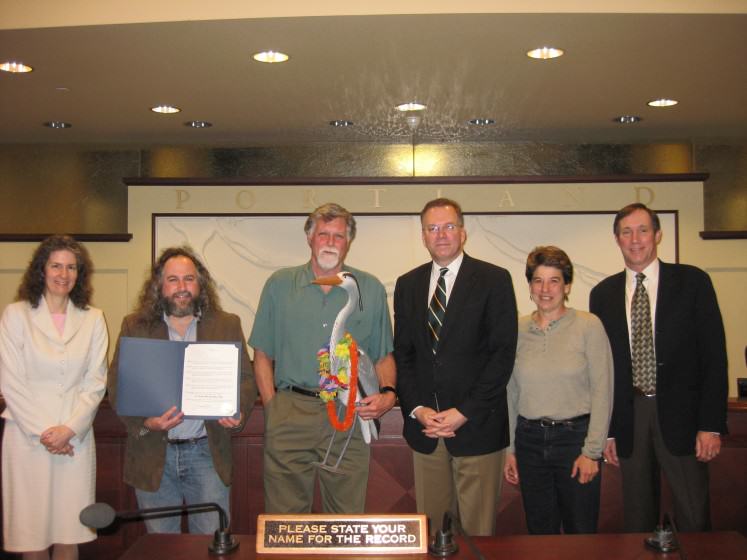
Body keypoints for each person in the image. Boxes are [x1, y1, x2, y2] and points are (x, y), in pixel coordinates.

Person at [589, 203, 728, 532]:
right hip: (630, 417)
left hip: (683, 416)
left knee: (694, 514)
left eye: (643, 230)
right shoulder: (602, 294)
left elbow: (714, 356)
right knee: (638, 518)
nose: (635, 239)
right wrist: (607, 430)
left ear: (658, 235)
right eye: (626, 232)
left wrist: (710, 425)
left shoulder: (692, 282)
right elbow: (604, 369)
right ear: (617, 239)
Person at [249, 202, 396, 514]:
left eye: (339, 236)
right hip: (291, 411)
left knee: (345, 517)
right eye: (323, 234)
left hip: (348, 413)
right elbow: (262, 354)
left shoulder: (369, 288)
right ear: (309, 238)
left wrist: (388, 394)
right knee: (285, 519)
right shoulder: (279, 285)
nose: (330, 242)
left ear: (348, 242)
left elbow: (383, 356)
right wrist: (273, 407)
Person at [106, 247, 257, 534]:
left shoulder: (226, 324)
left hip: (206, 453)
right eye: (173, 280)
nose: (182, 288)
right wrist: (145, 423)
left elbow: (246, 380)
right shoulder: (135, 325)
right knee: (161, 547)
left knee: (212, 542)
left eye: (189, 279)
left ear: (200, 284)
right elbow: (117, 385)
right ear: (159, 286)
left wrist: (237, 411)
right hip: (153, 454)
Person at [393, 198, 517, 536]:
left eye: (448, 226)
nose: (441, 234)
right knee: (433, 534)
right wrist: (417, 409)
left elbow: (502, 356)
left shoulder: (494, 280)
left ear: (463, 232)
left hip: (477, 427)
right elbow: (402, 355)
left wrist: (464, 411)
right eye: (432, 228)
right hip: (426, 431)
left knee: (478, 536)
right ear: (423, 236)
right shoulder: (407, 285)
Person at [0, 235, 108, 559]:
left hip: (74, 441)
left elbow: (96, 382)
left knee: (68, 533)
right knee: (31, 536)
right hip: (26, 440)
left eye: (71, 267)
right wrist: (46, 433)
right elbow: (11, 381)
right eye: (56, 266)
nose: (64, 274)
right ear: (41, 270)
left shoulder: (93, 318)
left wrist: (68, 430)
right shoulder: (16, 315)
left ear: (80, 274)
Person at [503, 246, 613, 534]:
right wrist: (510, 450)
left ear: (567, 286)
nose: (545, 289)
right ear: (529, 286)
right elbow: (511, 394)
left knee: (581, 532)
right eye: (538, 280)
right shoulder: (516, 329)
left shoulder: (589, 326)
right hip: (529, 442)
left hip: (574, 442)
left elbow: (604, 391)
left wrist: (592, 452)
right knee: (540, 533)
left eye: (554, 280)